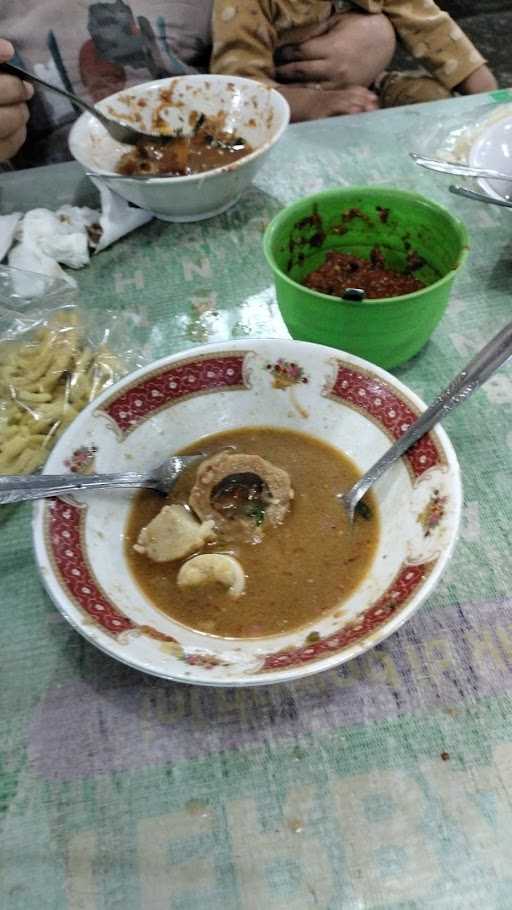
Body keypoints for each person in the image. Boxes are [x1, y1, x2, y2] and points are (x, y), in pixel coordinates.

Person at [210, 0, 497, 121]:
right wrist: (311, 103)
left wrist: (491, 98)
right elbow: (238, 89)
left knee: (439, 102)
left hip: (369, 88)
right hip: (288, 109)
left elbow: (428, 25)